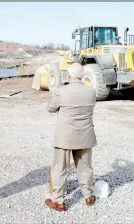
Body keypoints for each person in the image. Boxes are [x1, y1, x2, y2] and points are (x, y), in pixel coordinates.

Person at [45, 63, 97, 211]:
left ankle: (58, 201)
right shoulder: (91, 91)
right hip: (85, 135)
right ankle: (88, 196)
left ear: (68, 76)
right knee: (85, 167)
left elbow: (50, 108)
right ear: (82, 76)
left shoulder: (61, 91)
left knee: (60, 168)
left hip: (64, 137)